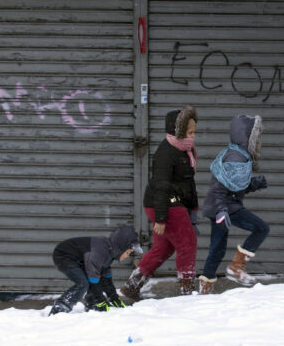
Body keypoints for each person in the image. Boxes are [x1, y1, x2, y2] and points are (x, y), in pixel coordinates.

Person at [120, 105, 199, 300]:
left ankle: (131, 286)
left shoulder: (184, 150)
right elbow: (162, 187)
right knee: (188, 243)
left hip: (170, 201)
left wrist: (193, 209)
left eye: (194, 132)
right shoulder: (166, 153)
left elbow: (187, 184)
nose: (193, 136)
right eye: (189, 132)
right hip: (163, 202)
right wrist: (161, 219)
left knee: (163, 248)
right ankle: (187, 292)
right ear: (177, 131)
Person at [198, 114, 269, 295]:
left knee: (217, 249)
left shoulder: (239, 155)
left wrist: (254, 184)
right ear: (247, 137)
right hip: (225, 208)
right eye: (256, 136)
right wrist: (222, 211)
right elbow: (220, 189)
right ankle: (237, 267)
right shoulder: (235, 157)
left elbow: (236, 187)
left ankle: (205, 291)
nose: (259, 141)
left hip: (222, 207)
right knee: (261, 228)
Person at [49, 224, 142, 315]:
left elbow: (106, 280)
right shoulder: (100, 251)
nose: (127, 256)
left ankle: (92, 305)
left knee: (95, 278)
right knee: (83, 283)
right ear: (121, 248)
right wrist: (100, 299)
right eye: (128, 252)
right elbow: (93, 279)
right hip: (64, 256)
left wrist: (114, 299)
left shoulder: (109, 253)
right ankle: (60, 308)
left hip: (79, 259)